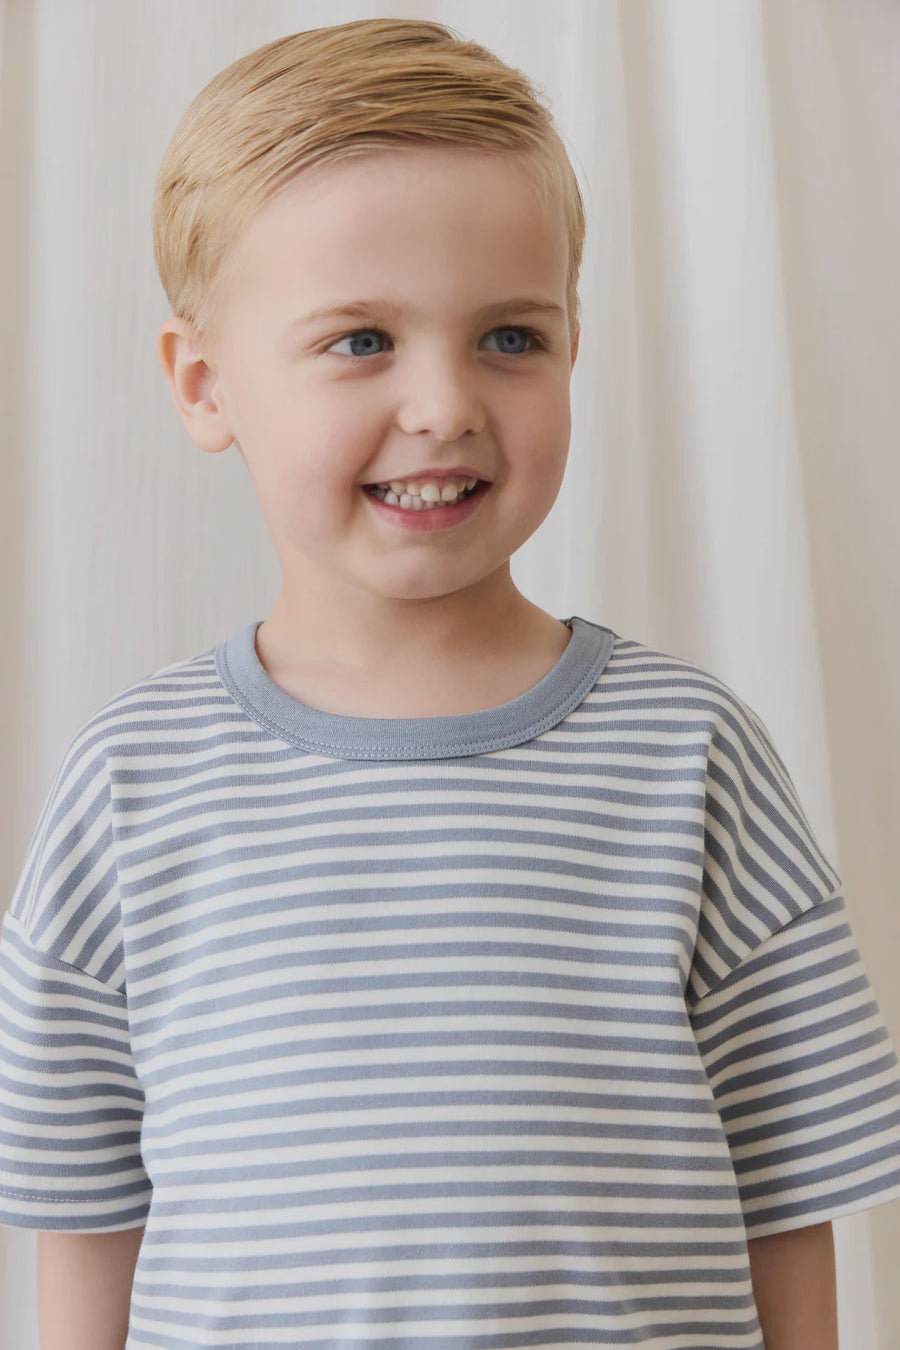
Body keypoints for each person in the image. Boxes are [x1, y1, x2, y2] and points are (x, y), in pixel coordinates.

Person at [1, 17, 898, 1350]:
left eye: (510, 337)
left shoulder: (690, 753)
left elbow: (791, 1195)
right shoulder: (132, 785)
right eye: (362, 339)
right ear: (204, 384)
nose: (444, 404)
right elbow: (82, 1220)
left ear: (575, 344)